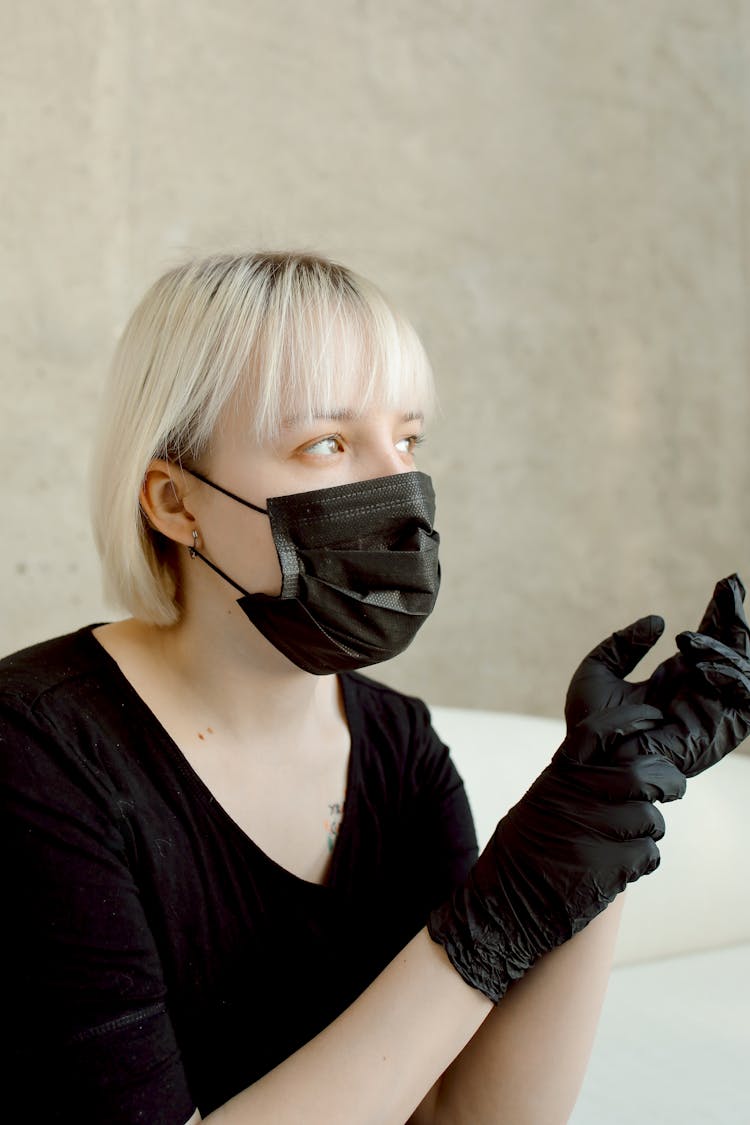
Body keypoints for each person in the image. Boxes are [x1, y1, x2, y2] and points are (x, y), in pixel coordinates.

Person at [2, 251, 748, 1125]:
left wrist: (601, 824)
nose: (395, 489)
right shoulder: (35, 754)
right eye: (325, 442)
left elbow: (472, 1118)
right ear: (175, 502)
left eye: (408, 439)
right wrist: (494, 918)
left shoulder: (400, 748)